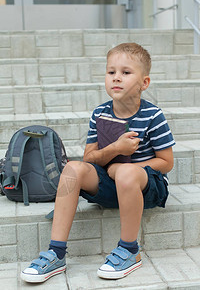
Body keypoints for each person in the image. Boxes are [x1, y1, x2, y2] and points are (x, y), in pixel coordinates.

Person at [21, 42, 175, 283]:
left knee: (124, 173)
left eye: (126, 72)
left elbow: (166, 162)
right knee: (73, 168)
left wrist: (127, 168)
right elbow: (90, 159)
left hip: (147, 188)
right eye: (111, 72)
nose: (116, 78)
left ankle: (130, 250)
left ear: (144, 83)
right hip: (112, 186)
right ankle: (56, 253)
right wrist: (116, 149)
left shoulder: (153, 115)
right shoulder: (100, 113)